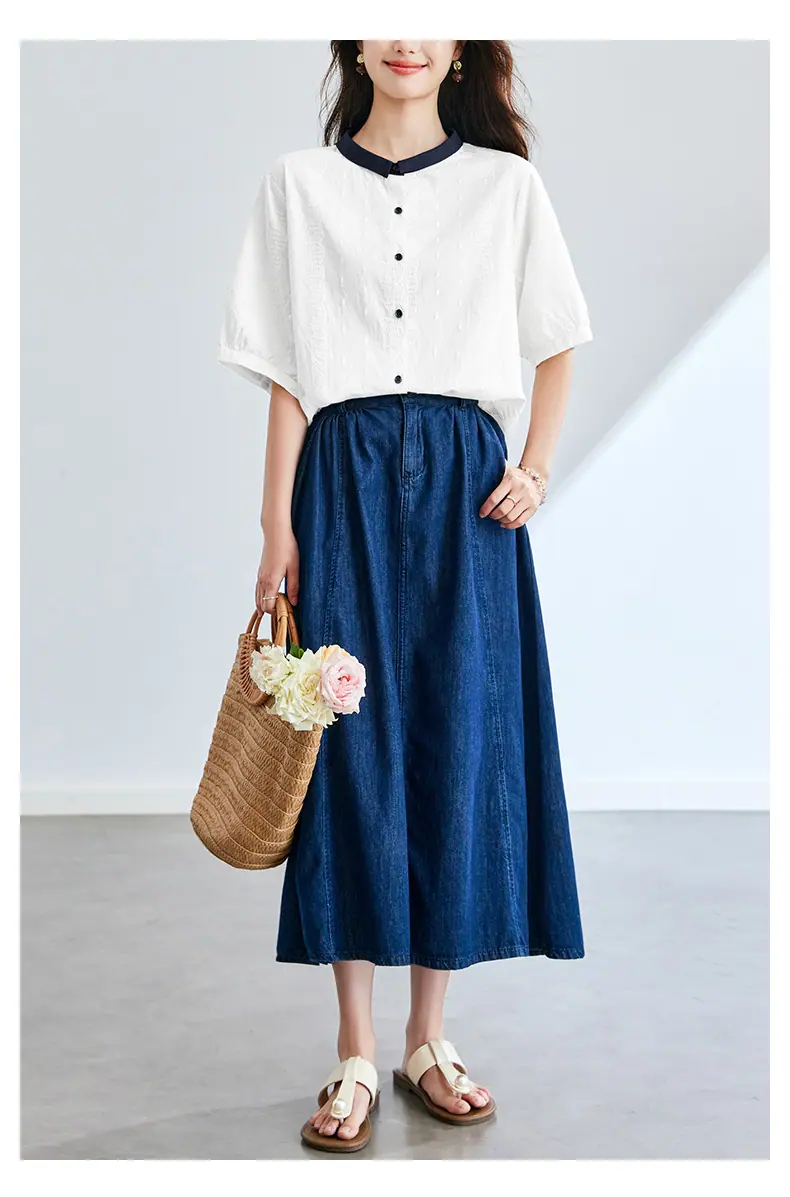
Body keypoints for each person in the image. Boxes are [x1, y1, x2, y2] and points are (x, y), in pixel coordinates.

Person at [217, 39, 592, 1154]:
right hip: (339, 481)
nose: (406, 37)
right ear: (352, 40)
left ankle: (428, 1037)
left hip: (465, 491)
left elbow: (557, 338)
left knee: (452, 739)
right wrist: (276, 526)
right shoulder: (298, 185)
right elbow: (289, 373)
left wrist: (535, 466)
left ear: (459, 46)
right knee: (344, 754)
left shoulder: (505, 187)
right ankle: (352, 1049)